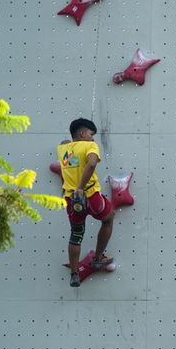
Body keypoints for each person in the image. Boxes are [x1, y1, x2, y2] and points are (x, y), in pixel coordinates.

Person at [58, 118, 115, 287]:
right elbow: (91, 164)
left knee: (76, 235)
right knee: (109, 217)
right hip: (89, 196)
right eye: (91, 134)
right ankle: (98, 259)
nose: (93, 138)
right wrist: (81, 188)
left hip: (71, 200)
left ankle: (74, 274)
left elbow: (65, 141)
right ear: (82, 134)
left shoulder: (62, 149)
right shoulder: (90, 146)